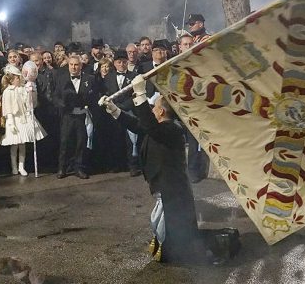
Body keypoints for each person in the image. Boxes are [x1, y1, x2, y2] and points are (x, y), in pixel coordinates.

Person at [99, 76, 201, 264]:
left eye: (154, 107)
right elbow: (138, 124)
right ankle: (169, 250)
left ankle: (174, 255)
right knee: (162, 223)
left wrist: (140, 94)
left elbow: (147, 124)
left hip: (172, 189)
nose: (152, 109)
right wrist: (113, 109)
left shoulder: (172, 129)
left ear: (161, 111)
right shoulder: (158, 127)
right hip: (164, 186)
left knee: (167, 226)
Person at [54, 55, 97, 179]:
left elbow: (94, 96)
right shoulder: (61, 78)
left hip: (82, 116)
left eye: (76, 65)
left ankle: (79, 168)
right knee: (65, 142)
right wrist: (63, 105)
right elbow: (55, 96)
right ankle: (62, 168)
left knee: (81, 142)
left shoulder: (90, 79)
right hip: (67, 115)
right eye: (71, 65)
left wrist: (88, 104)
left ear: (81, 66)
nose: (73, 67)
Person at [0, 65, 46, 176]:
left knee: (22, 144)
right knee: (14, 144)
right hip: (14, 119)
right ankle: (14, 167)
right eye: (16, 78)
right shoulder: (7, 91)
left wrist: (31, 93)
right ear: (11, 80)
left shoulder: (22, 89)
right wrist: (10, 121)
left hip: (23, 118)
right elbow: (7, 107)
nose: (19, 79)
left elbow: (30, 104)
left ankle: (21, 166)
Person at [100, 50, 140, 176]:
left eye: (124, 62)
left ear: (127, 62)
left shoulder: (134, 76)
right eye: (119, 62)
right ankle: (117, 164)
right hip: (113, 112)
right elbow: (105, 93)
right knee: (115, 138)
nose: (121, 64)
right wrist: (114, 107)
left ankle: (133, 165)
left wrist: (123, 106)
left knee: (131, 140)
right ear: (115, 64)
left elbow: (135, 95)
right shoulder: (108, 77)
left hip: (128, 111)